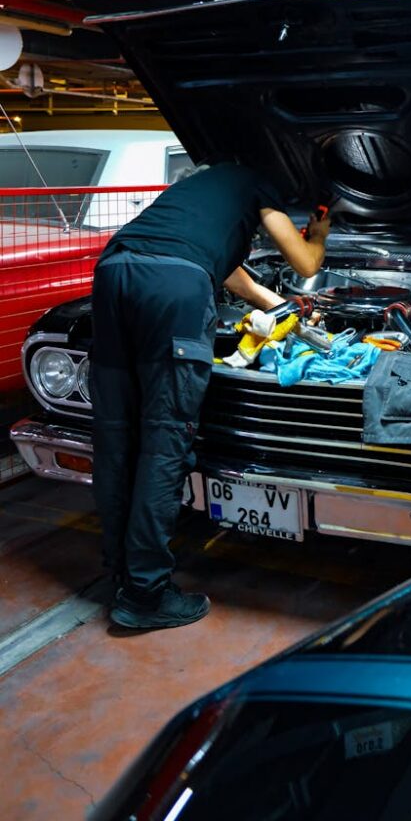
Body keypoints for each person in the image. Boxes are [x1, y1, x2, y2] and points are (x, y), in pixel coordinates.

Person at [90, 162, 330, 631]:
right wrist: (319, 232)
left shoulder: (199, 194)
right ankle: (145, 594)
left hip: (114, 271)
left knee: (117, 438)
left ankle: (122, 573)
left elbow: (234, 277)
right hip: (172, 288)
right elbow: (305, 263)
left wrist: (288, 314)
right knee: (163, 443)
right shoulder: (259, 180)